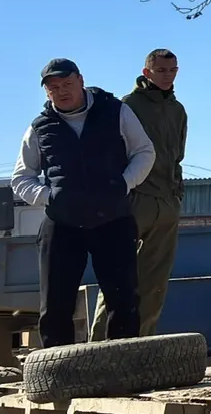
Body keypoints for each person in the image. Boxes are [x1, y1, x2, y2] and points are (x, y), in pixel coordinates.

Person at [11, 58, 155, 346]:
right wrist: (48, 197)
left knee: (123, 297)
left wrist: (124, 183)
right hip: (62, 222)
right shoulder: (40, 127)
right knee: (55, 303)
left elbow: (144, 151)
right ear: (46, 92)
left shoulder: (116, 111)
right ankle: (56, 369)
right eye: (54, 88)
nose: (62, 91)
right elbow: (21, 177)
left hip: (113, 218)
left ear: (81, 80)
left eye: (67, 84)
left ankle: (124, 364)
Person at [90, 48, 187, 339]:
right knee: (118, 280)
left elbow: (177, 156)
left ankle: (140, 345)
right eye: (161, 70)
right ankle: (99, 349)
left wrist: (176, 195)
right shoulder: (126, 106)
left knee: (156, 282)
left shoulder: (178, 109)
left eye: (172, 70)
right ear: (147, 73)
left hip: (166, 202)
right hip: (132, 200)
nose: (167, 76)